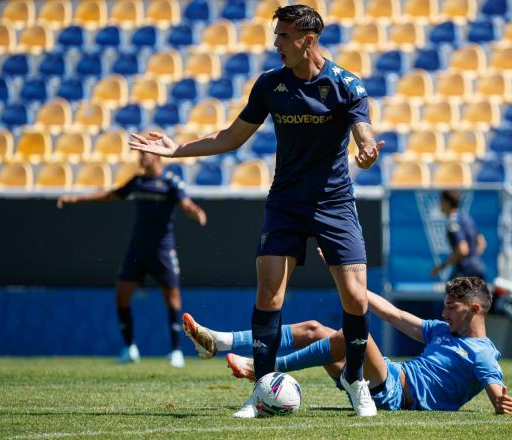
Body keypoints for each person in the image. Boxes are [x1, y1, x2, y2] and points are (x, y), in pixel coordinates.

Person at [128, 5, 383, 417]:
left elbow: (363, 132)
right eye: (276, 35)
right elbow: (231, 137)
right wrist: (177, 150)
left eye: (283, 36)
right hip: (285, 202)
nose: (276, 43)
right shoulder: (269, 85)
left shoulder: (346, 85)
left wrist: (367, 151)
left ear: (308, 39)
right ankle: (262, 392)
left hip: (335, 202)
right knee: (269, 292)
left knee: (355, 298)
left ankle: (355, 381)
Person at [182, 276, 512, 415]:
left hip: (396, 393)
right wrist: (351, 284)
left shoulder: (482, 353)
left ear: (474, 310)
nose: (443, 313)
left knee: (358, 332)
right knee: (314, 329)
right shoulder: (443, 331)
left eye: (451, 307)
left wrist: (500, 403)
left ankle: (261, 368)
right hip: (382, 374)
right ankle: (223, 341)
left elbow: (497, 394)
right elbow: (395, 314)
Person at [57, 151, 207, 368]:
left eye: (144, 154)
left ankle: (176, 352)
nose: (140, 158)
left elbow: (186, 204)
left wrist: (196, 212)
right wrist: (76, 197)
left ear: (156, 157)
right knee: (122, 296)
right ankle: (129, 348)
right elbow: (111, 194)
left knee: (173, 300)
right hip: (137, 249)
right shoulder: (138, 181)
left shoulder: (170, 182)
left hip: (162, 250)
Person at [430, 190, 487, 281]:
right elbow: (482, 242)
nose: (439, 204)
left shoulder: (453, 221)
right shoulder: (467, 217)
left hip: (465, 271)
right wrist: (473, 259)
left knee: (452, 293)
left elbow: (462, 250)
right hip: (478, 268)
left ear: (447, 203)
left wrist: (442, 266)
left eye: (441, 201)